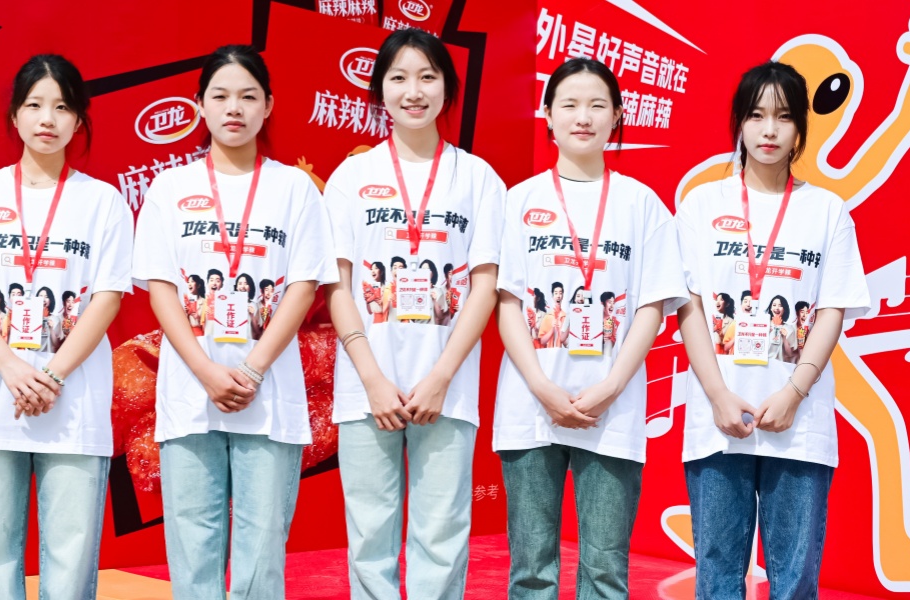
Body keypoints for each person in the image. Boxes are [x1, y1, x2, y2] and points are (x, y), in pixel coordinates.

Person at [131, 44, 336, 599]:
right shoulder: (170, 189)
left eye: (248, 96)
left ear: (268, 105)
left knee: (261, 550)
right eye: (220, 96)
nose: (234, 108)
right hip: (189, 394)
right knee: (192, 548)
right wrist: (205, 370)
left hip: (268, 396)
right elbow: (161, 287)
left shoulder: (295, 189)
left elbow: (303, 286)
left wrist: (250, 369)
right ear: (199, 105)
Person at [675, 61, 870, 600]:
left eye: (783, 117)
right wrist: (718, 395)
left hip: (799, 420)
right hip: (718, 419)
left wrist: (793, 392)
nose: (769, 130)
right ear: (739, 122)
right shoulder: (701, 205)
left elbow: (832, 308)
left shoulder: (827, 211)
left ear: (800, 127)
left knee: (795, 582)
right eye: (756, 115)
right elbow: (689, 304)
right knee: (717, 578)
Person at [494, 57, 687, 599]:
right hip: (531, 407)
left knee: (606, 572)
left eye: (597, 105)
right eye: (570, 104)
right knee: (531, 569)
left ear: (617, 116)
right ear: (547, 114)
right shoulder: (518, 200)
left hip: (612, 409)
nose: (583, 117)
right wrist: (541, 386)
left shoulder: (642, 204)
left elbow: (651, 306)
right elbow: (507, 301)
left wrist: (611, 386)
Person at [322, 28, 503, 599]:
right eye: (398, 77)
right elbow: (337, 285)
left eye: (428, 76)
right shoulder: (351, 178)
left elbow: (485, 285)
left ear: (448, 88)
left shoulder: (478, 178)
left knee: (442, 533)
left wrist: (442, 376)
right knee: (369, 534)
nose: (414, 91)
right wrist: (372, 379)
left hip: (447, 384)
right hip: (366, 386)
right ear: (380, 90)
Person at [0, 54, 133, 599]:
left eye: (62, 107)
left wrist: (51, 375)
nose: (47, 118)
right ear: (14, 115)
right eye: (34, 105)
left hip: (73, 401)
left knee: (71, 560)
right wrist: (10, 366)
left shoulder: (103, 202)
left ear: (79, 120)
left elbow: (107, 298)